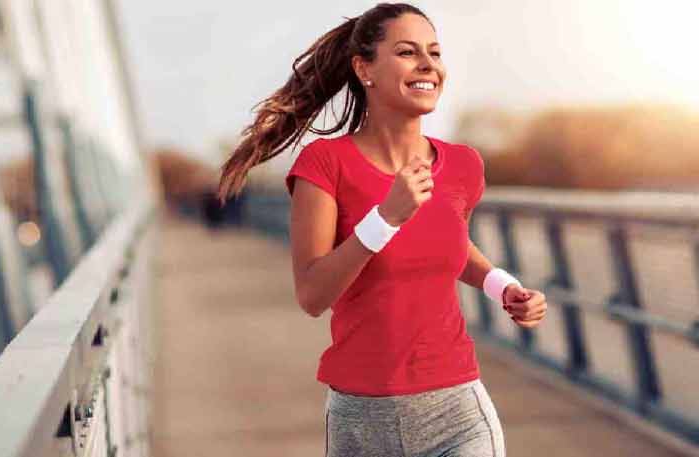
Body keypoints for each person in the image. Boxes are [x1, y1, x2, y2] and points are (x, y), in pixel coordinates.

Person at [216, 3, 548, 456]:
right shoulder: (325, 164)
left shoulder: (463, 165)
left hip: (458, 414)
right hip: (361, 423)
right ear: (364, 69)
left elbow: (450, 245)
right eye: (408, 52)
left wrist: (503, 287)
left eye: (434, 52)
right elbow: (312, 295)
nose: (427, 64)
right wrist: (385, 218)